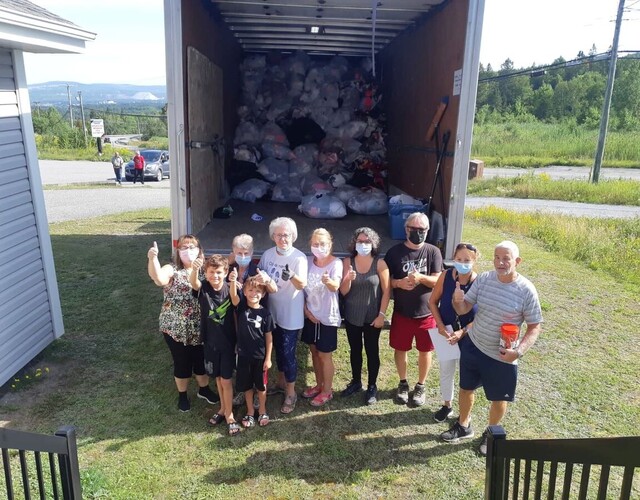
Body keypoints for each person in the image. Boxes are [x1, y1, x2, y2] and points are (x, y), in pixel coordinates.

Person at [441, 240, 543, 456]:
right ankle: (463, 425)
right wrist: (457, 301)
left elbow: (535, 326)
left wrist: (519, 351)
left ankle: (490, 433)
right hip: (474, 345)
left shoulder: (526, 290)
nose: (500, 262)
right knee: (466, 388)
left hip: (502, 355)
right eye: (497, 257)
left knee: (499, 398)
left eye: (506, 258)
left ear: (517, 261)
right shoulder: (485, 279)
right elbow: (465, 306)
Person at [146, 235, 219, 412]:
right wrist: (152, 258)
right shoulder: (172, 269)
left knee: (200, 360)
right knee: (182, 362)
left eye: (192, 246)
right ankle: (182, 395)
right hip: (175, 327)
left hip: (200, 326)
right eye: (184, 247)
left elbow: (223, 267)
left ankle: (204, 389)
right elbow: (159, 278)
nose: (188, 250)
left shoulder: (204, 268)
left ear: (199, 250)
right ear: (178, 251)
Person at [384, 212, 443, 406]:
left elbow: (437, 280)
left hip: (427, 314)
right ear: (406, 229)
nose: (418, 233)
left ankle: (420, 386)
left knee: (425, 351)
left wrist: (421, 278)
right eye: (414, 229)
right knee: (401, 349)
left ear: (427, 231)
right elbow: (386, 282)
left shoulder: (433, 251)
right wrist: (399, 283)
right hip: (402, 313)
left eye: (422, 230)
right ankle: (402, 383)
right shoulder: (394, 253)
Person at [258, 217, 308, 415]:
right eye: (278, 235)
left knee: (288, 355)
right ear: (273, 237)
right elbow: (261, 272)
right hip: (272, 313)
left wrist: (292, 276)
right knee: (276, 349)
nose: (282, 239)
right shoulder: (268, 254)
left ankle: (291, 392)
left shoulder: (299, 258)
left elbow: (302, 284)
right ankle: (279, 383)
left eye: (286, 235)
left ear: (293, 236)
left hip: (290, 315)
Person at [428, 242, 479, 423]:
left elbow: (481, 316)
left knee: (467, 376)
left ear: (474, 260)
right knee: (446, 370)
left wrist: (463, 332)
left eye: (467, 260)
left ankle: (465, 413)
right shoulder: (445, 276)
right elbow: (432, 302)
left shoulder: (479, 282)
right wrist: (440, 325)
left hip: (469, 336)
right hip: (446, 333)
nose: (462, 262)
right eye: (459, 259)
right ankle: (447, 405)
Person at [339, 227, 390, 405]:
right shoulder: (348, 261)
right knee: (355, 350)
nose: (363, 244)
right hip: (353, 315)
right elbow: (343, 292)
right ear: (354, 243)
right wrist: (348, 279)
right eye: (360, 241)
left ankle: (372, 386)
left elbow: (386, 292)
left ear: (373, 244)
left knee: (372, 351)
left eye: (367, 242)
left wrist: (381, 315)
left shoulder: (380, 263)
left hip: (372, 316)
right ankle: (355, 382)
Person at [190, 254, 239, 436]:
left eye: (219, 272)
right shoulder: (203, 288)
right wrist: (195, 269)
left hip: (227, 344)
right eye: (211, 272)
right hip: (210, 342)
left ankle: (230, 415)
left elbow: (235, 302)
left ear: (226, 272)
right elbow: (194, 283)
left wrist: (233, 283)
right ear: (206, 272)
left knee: (226, 380)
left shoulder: (230, 289)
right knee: (218, 378)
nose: (215, 276)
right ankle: (222, 409)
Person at [300, 228, 342, 407]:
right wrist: (306, 311)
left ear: (330, 244)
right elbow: (300, 289)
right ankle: (318, 385)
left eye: (322, 244)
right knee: (314, 353)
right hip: (310, 316)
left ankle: (327, 391)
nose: (319, 247)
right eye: (315, 244)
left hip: (327, 318)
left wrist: (328, 281)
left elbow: (335, 287)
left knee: (325, 355)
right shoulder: (307, 261)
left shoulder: (336, 263)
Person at [229, 274, 274, 428]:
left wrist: (268, 358)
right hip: (243, 356)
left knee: (261, 386)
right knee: (247, 385)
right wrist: (234, 281)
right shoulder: (241, 307)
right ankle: (249, 411)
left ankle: (262, 410)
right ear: (245, 292)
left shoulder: (266, 314)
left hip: (260, 357)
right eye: (250, 290)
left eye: (257, 291)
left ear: (263, 294)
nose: (253, 293)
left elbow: (269, 338)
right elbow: (234, 296)